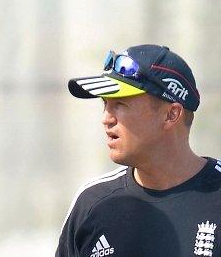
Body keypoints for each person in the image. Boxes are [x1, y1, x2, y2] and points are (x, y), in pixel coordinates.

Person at [56, 44, 221, 257]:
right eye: (105, 104)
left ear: (171, 115)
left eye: (121, 104)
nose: (106, 118)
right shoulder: (92, 203)